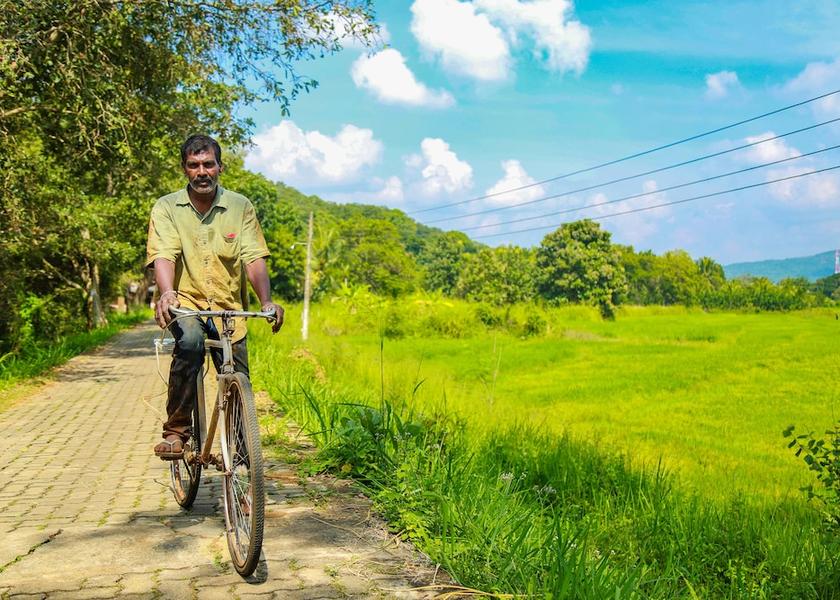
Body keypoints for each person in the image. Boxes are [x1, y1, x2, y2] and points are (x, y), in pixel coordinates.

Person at [146, 134, 284, 459]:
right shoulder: (167, 207)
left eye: (208, 164)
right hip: (187, 306)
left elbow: (253, 258)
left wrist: (266, 301)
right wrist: (167, 294)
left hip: (229, 311)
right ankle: (176, 432)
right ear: (185, 169)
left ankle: (240, 459)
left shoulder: (240, 207)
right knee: (191, 343)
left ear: (220, 167)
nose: (202, 171)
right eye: (194, 165)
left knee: (237, 377)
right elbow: (164, 254)